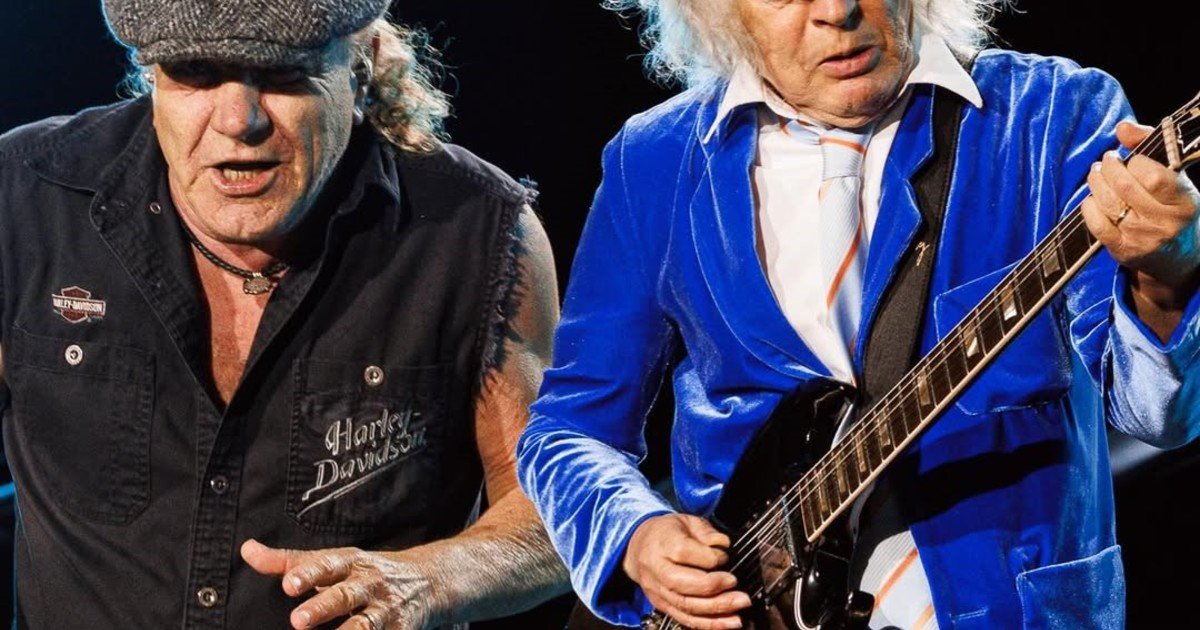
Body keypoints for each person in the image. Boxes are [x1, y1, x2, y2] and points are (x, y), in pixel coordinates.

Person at [517, 0, 1200, 628]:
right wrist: (633, 533)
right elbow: (568, 429)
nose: (837, 10)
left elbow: (1159, 416)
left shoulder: (1052, 115)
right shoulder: (653, 161)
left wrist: (1168, 279)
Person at [0, 0, 568, 627]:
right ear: (151, 74)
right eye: (196, 73)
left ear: (361, 67)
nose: (239, 120)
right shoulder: (23, 197)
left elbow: (555, 511)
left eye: (282, 74)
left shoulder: (481, 232)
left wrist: (432, 579)